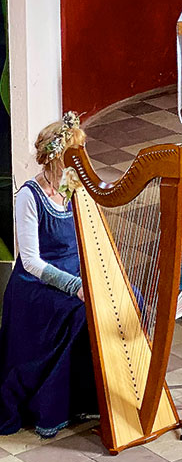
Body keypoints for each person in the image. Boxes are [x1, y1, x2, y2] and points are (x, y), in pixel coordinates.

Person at [0, 112, 97, 437]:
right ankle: (53, 407)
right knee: (82, 313)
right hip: (38, 284)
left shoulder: (72, 185)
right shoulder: (29, 195)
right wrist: (75, 286)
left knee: (126, 301)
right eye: (75, 154)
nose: (81, 160)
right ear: (59, 157)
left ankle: (91, 397)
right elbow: (30, 262)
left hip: (74, 272)